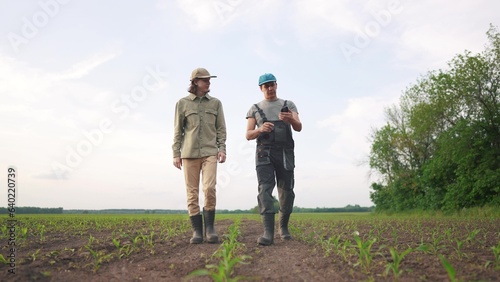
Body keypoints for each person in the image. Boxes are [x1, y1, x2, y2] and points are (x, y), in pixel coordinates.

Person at [246, 73, 302, 246]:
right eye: (266, 86)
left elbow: (299, 127)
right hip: (264, 153)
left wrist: (291, 118)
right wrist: (260, 129)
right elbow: (248, 135)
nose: (270, 88)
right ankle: (268, 232)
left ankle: (283, 227)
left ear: (277, 85)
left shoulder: (288, 104)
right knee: (265, 190)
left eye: (272, 85)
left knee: (287, 191)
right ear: (261, 88)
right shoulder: (254, 108)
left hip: (285, 152)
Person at [172, 67, 227, 244]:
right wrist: (176, 153)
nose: (208, 82)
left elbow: (221, 128)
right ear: (195, 82)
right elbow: (177, 130)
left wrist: (222, 148)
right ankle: (197, 231)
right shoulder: (182, 103)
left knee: (209, 188)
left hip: (210, 151)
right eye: (205, 79)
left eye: (209, 79)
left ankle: (210, 228)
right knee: (192, 192)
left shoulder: (216, 103)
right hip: (189, 153)